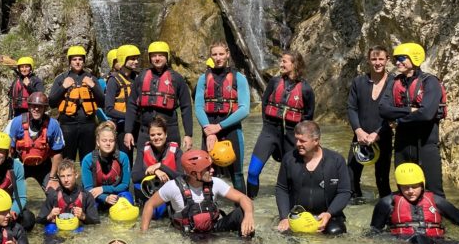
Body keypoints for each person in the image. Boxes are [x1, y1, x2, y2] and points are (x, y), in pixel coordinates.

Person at [379, 42, 447, 196]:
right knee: (404, 191)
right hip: (402, 146)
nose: (397, 62)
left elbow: (426, 114)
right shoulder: (394, 81)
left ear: (414, 58)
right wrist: (410, 110)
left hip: (426, 144)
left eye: (402, 58)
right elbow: (383, 109)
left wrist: (398, 120)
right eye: (396, 59)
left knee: (434, 192)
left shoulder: (430, 82)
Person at [140, 148, 255, 237]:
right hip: (188, 235)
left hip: (213, 229)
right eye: (207, 168)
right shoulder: (173, 187)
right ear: (194, 174)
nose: (212, 170)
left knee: (242, 212)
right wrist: (144, 234)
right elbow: (149, 205)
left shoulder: (215, 182)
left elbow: (243, 198)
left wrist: (248, 215)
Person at [247, 51, 315, 198]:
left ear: (294, 64)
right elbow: (265, 103)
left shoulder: (306, 89)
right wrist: (266, 124)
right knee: (252, 171)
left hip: (292, 136)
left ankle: (291, 206)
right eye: (281, 61)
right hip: (269, 131)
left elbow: (309, 117)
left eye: (284, 61)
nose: (281, 64)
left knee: (291, 177)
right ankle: (250, 204)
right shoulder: (274, 82)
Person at [275, 120, 351, 235]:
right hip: (297, 216)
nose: (297, 144)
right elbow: (282, 189)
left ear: (316, 140)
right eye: (296, 139)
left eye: (302, 141)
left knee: (336, 232)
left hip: (327, 215)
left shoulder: (336, 160)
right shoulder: (289, 159)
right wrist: (284, 217)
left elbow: (344, 192)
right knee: (286, 234)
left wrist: (329, 213)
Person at [370, 163, 459, 241]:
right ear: (399, 187)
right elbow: (374, 231)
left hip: (436, 241)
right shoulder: (386, 203)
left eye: (415, 186)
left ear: (422, 185)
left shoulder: (437, 201)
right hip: (404, 242)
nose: (410, 191)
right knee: (419, 240)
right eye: (405, 187)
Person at [194, 41, 250, 193]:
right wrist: (208, 130)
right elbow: (198, 107)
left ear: (227, 54)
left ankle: (242, 205)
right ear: (210, 56)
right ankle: (208, 204)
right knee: (206, 171)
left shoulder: (239, 78)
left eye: (221, 54)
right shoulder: (203, 79)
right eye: (214, 54)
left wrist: (219, 127)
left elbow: (244, 110)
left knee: (237, 173)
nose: (218, 58)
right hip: (208, 129)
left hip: (231, 129)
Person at [123, 41, 193, 155]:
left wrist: (188, 134)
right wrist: (128, 131)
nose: (157, 59)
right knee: (142, 163)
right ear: (149, 58)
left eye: (161, 55)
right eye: (154, 56)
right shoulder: (141, 77)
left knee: (171, 163)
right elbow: (131, 104)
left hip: (170, 130)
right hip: (146, 130)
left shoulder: (177, 79)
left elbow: (186, 107)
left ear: (167, 57)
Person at [347, 46, 394, 201]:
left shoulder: (394, 83)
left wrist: (378, 133)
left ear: (387, 60)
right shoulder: (359, 82)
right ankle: (355, 211)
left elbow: (394, 114)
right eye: (374, 59)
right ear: (368, 60)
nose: (377, 63)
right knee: (351, 179)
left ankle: (385, 210)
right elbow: (351, 108)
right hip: (359, 137)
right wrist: (358, 131)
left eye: (381, 59)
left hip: (383, 137)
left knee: (382, 181)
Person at [48, 45, 102, 163]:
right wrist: (63, 86)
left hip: (88, 124)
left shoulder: (91, 78)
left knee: (88, 161)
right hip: (67, 125)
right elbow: (51, 102)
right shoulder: (61, 79)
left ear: (84, 61)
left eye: (80, 59)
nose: (77, 62)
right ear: (70, 61)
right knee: (67, 161)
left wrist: (92, 86)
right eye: (74, 59)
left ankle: (87, 176)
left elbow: (102, 102)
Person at [8, 91, 65, 193]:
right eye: (34, 106)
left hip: (43, 166)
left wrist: (52, 178)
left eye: (40, 106)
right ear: (29, 107)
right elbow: (9, 151)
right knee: (7, 189)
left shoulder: (53, 125)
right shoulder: (17, 122)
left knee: (55, 192)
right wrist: (9, 173)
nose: (36, 109)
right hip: (21, 165)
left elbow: (57, 154)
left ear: (45, 108)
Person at [130, 115, 180, 217]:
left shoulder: (176, 151)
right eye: (152, 135)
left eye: (159, 134)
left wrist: (160, 166)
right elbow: (134, 177)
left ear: (166, 134)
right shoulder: (143, 150)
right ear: (149, 136)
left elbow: (182, 177)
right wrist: (154, 171)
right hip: (149, 193)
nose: (156, 138)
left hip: (169, 195)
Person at [80, 121, 133, 212]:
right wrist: (105, 198)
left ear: (115, 142)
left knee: (127, 200)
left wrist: (103, 189)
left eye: (111, 141)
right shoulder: (88, 160)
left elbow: (125, 184)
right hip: (96, 195)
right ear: (98, 142)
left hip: (116, 192)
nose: (108, 143)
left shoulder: (123, 157)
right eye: (104, 140)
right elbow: (88, 189)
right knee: (90, 208)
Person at [39, 159, 100, 228]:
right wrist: (50, 216)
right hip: (59, 228)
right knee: (50, 229)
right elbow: (39, 220)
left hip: (78, 229)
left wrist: (83, 216)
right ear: (58, 176)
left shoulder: (86, 195)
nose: (66, 180)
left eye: (69, 175)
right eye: (62, 176)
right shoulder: (53, 195)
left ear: (76, 175)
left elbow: (96, 221)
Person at [105, 44, 140, 160]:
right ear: (123, 59)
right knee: (126, 158)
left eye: (137, 58)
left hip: (138, 124)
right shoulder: (113, 81)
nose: (136, 62)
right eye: (132, 59)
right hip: (122, 126)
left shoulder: (138, 78)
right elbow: (109, 109)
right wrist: (130, 116)